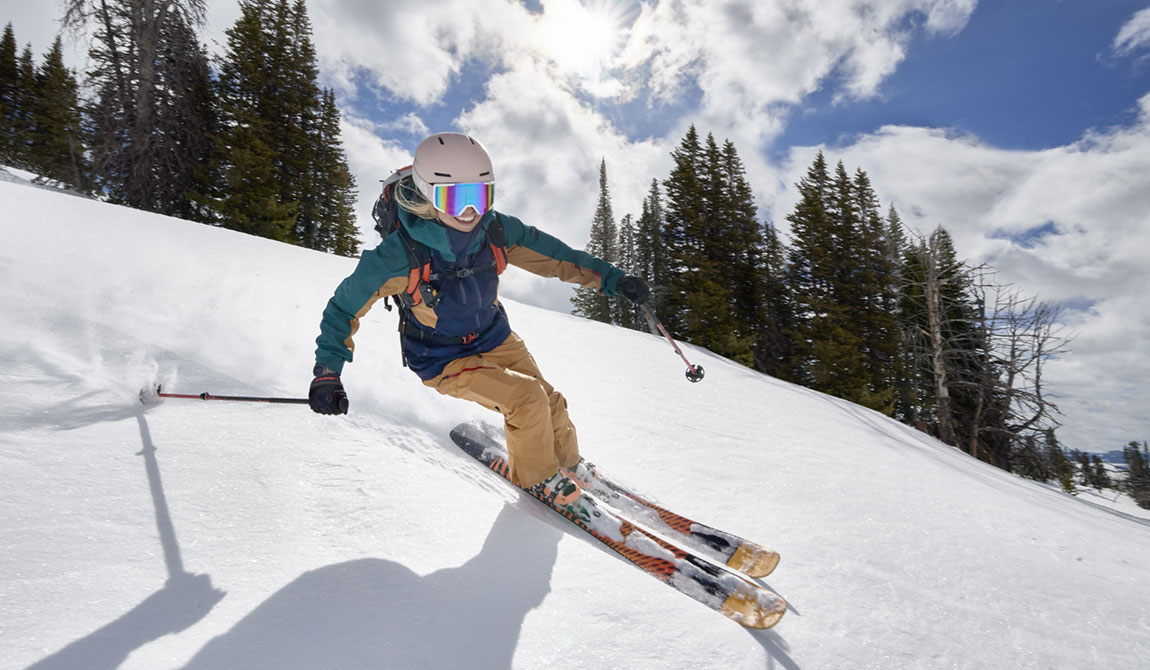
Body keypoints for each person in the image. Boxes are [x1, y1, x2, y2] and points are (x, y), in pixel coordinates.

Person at [309, 132, 649, 509]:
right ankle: (539, 478)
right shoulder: (398, 255)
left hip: (493, 334)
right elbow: (343, 308)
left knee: (550, 401)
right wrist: (328, 372)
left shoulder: (496, 230)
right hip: (441, 356)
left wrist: (613, 279)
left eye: (480, 196)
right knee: (526, 399)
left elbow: (558, 257)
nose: (469, 212)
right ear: (426, 193)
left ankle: (567, 465)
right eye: (454, 199)